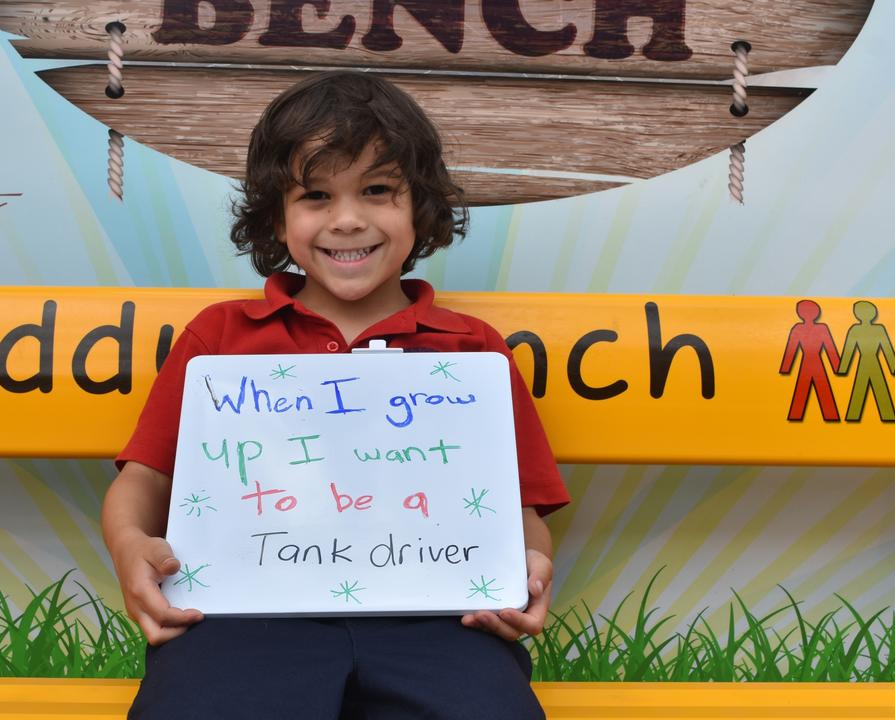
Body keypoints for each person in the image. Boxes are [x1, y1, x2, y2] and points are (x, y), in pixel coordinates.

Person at [102, 70, 570, 719]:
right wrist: (130, 549)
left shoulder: (471, 351)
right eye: (316, 195)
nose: (347, 220)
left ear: (420, 207)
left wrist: (529, 569)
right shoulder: (219, 337)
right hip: (243, 618)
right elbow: (142, 480)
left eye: (377, 190)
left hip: (439, 624)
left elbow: (522, 513)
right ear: (276, 215)